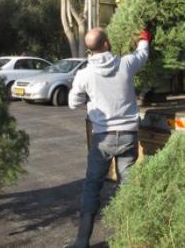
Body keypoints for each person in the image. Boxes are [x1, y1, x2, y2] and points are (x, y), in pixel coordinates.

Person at [66, 27, 151, 248]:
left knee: (92, 187)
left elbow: (73, 102)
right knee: (128, 186)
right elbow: (143, 54)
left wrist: (90, 99)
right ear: (106, 44)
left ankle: (82, 241)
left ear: (90, 49)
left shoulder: (84, 74)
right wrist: (144, 37)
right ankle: (133, 237)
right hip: (127, 136)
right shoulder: (125, 64)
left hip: (102, 139)